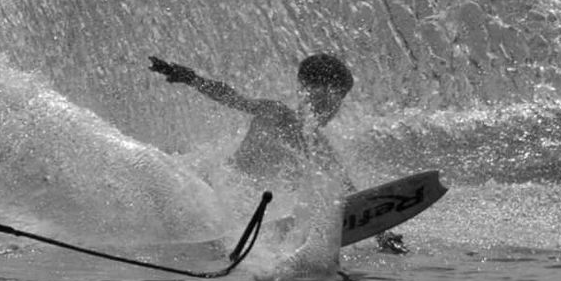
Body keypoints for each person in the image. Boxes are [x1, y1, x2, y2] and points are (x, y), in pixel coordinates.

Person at [148, 52, 406, 255]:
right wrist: (192, 79)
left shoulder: (316, 143)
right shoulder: (277, 113)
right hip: (215, 197)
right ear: (313, 91)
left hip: (241, 209)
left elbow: (348, 192)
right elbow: (231, 97)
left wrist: (382, 232)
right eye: (334, 98)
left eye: (338, 101)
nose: (334, 108)